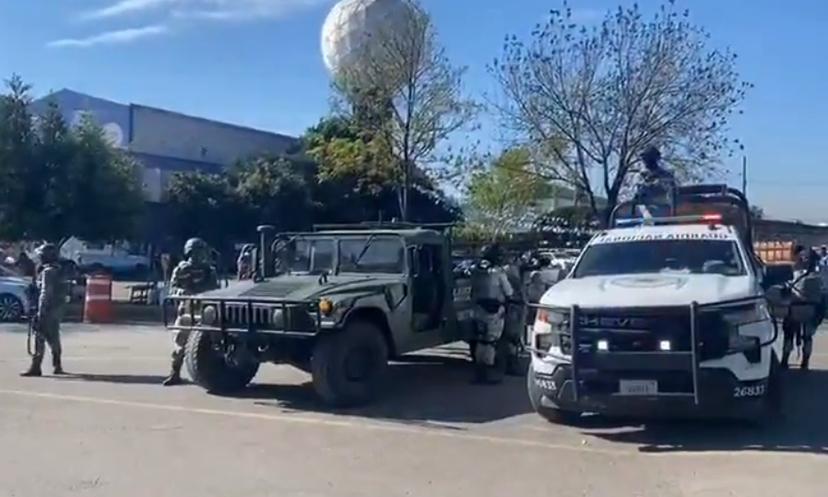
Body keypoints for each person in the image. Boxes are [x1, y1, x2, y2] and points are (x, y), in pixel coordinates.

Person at [163, 238, 219, 386]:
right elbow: (172, 289)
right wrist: (182, 292)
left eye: (201, 252)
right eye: (195, 252)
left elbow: (216, 290)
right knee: (181, 343)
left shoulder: (209, 271)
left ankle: (212, 375)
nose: (198, 256)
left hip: (206, 311)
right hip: (188, 310)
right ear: (189, 253)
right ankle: (175, 373)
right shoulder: (181, 270)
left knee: (211, 344)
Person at [469, 244, 514, 384]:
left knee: (480, 340)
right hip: (494, 309)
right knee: (491, 341)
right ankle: (487, 374)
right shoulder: (498, 272)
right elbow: (509, 292)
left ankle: (479, 372)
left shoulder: (475, 270)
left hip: (478, 308)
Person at [21, 243, 66, 377]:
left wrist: (41, 311)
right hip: (57, 309)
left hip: (48, 308)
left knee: (39, 337)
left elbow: (46, 293)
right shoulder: (58, 269)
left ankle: (36, 367)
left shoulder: (48, 272)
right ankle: (57, 364)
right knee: (53, 337)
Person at [782, 246, 824, 370]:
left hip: (794, 309)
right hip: (811, 309)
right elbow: (821, 296)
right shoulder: (818, 276)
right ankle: (805, 362)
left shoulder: (793, 273)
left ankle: (785, 360)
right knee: (807, 337)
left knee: (789, 335)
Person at [635, 146, 676, 211]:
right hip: (643, 211)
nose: (644, 160)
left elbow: (672, 193)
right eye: (643, 158)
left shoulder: (666, 175)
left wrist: (658, 182)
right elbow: (636, 195)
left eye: (647, 157)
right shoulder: (639, 176)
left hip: (663, 209)